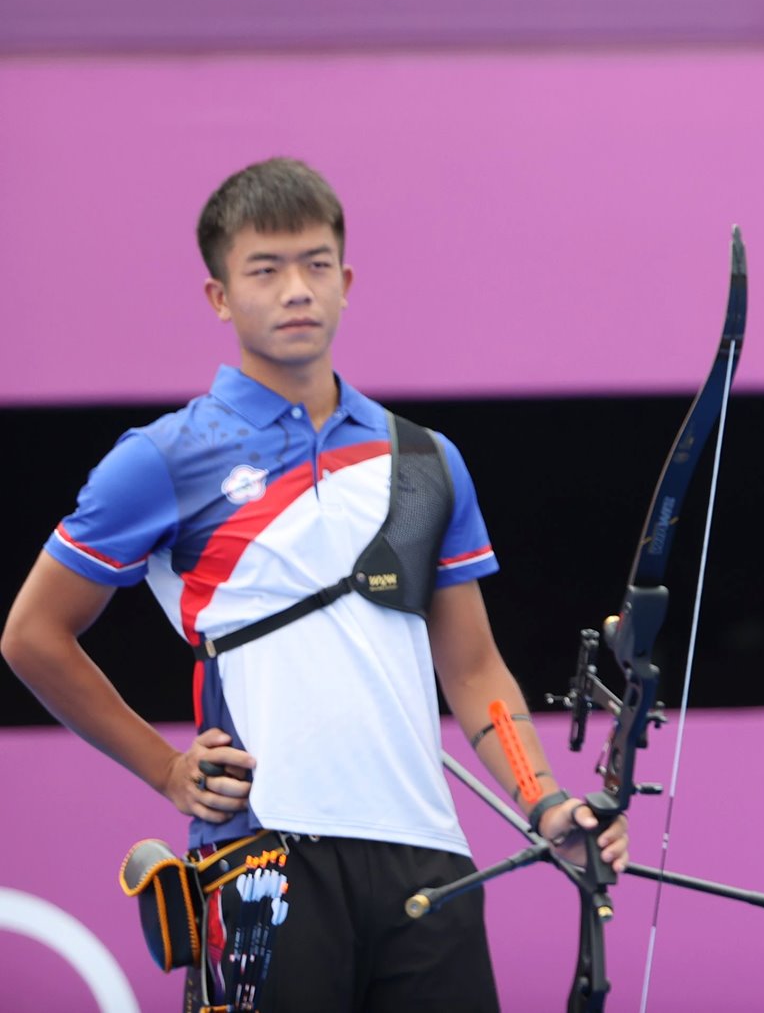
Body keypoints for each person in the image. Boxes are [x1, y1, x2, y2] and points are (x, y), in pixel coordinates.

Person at [0, 157, 625, 1012]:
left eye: (315, 264)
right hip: (262, 856)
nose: (296, 288)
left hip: (429, 864)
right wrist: (167, 771)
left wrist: (547, 803)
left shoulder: (425, 460)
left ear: (345, 279)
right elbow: (32, 635)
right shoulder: (163, 457)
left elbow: (475, 671)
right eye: (265, 269)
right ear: (220, 296)